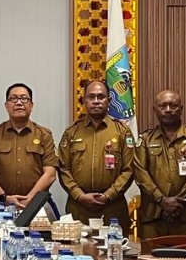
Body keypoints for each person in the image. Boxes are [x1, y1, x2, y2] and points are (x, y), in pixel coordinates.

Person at [58, 80, 135, 228]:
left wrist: (108, 195)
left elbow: (129, 169)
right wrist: (79, 195)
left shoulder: (122, 132)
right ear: (84, 100)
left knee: (114, 243)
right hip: (78, 206)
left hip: (113, 206)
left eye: (101, 97)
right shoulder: (71, 132)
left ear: (109, 100)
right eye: (91, 97)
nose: (96, 101)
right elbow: (63, 168)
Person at [132, 90, 186, 240]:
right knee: (150, 254)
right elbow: (140, 173)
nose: (168, 110)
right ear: (155, 110)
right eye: (162, 106)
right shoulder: (145, 139)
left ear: (181, 109)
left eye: (173, 106)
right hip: (153, 215)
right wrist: (161, 200)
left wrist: (178, 202)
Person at [0, 83, 58, 212]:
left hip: (35, 206)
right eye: (13, 99)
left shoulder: (44, 135)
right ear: (6, 106)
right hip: (0, 206)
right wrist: (4, 197)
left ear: (31, 105)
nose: (19, 103)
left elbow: (50, 174)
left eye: (24, 98)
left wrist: (29, 199)